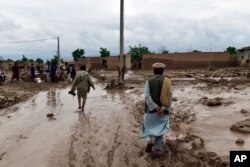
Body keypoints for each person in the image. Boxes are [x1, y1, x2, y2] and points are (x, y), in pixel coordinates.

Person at [141, 62, 172, 156]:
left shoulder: (149, 81)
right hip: (163, 112)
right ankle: (158, 148)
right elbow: (170, 97)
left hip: (151, 111)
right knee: (160, 129)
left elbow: (147, 96)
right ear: (163, 71)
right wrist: (162, 108)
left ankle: (149, 140)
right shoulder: (168, 81)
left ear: (154, 71)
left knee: (146, 127)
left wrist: (155, 107)